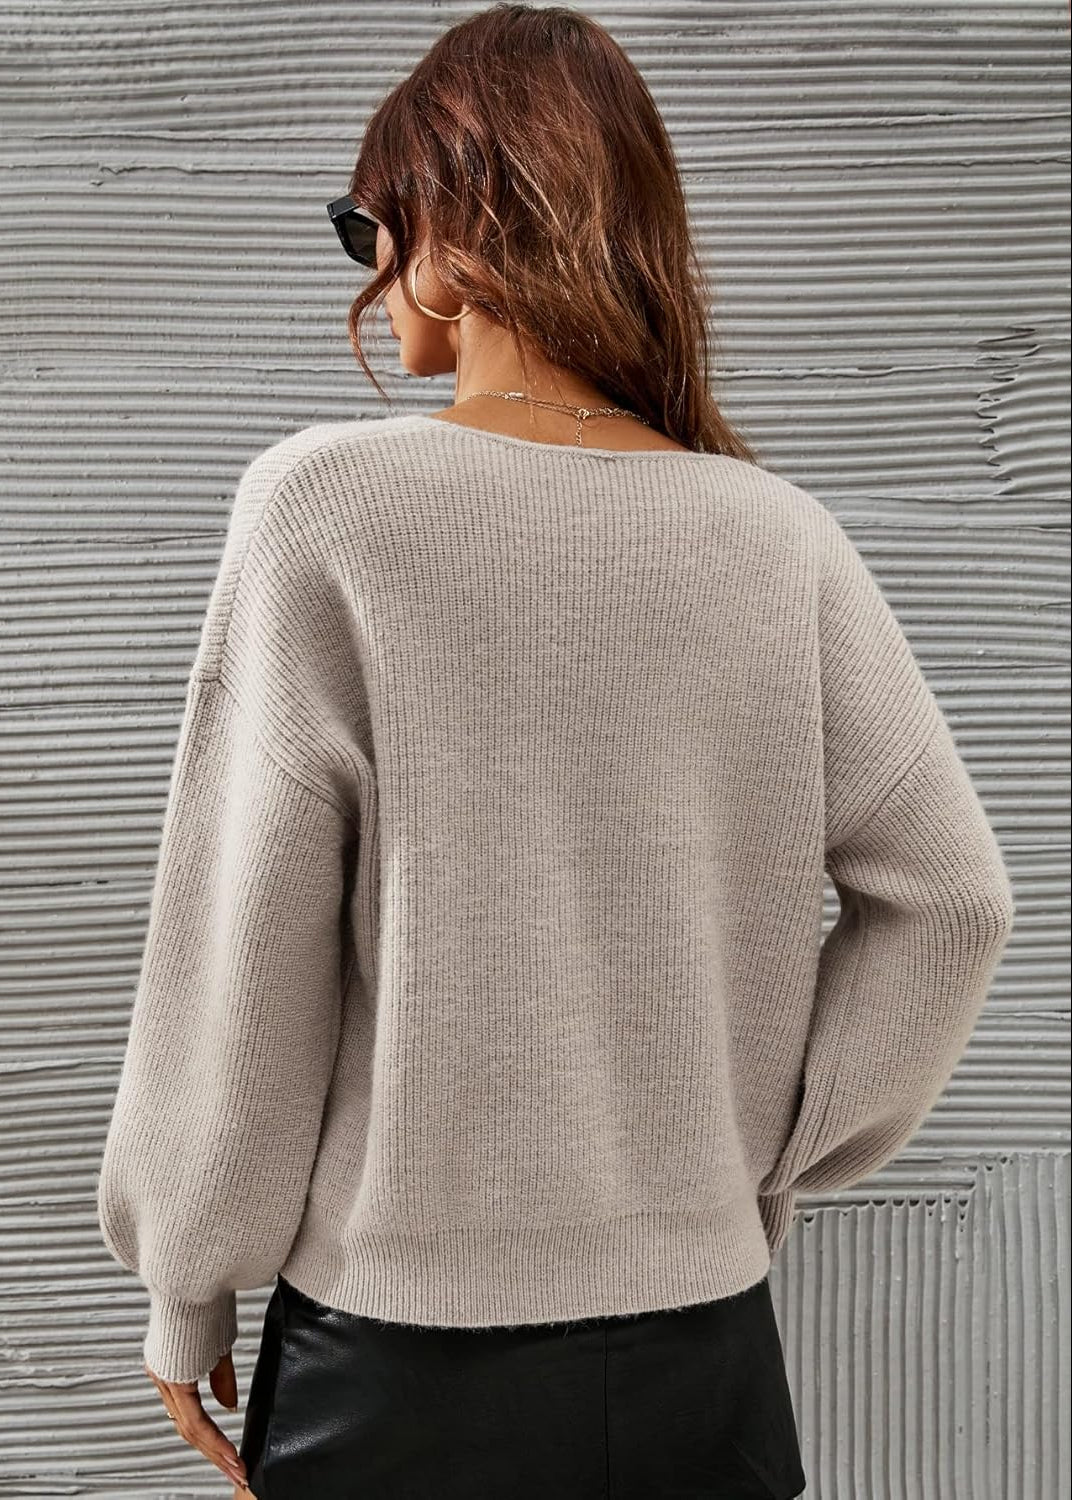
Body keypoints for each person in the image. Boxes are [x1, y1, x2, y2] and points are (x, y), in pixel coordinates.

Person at [94, 6, 1015, 1498]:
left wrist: (186, 1280)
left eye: (366, 223)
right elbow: (954, 901)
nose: (368, 265)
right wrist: (763, 1166)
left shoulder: (328, 508)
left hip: (396, 1369)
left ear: (454, 231)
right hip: (703, 1362)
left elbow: (244, 944)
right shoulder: (779, 538)